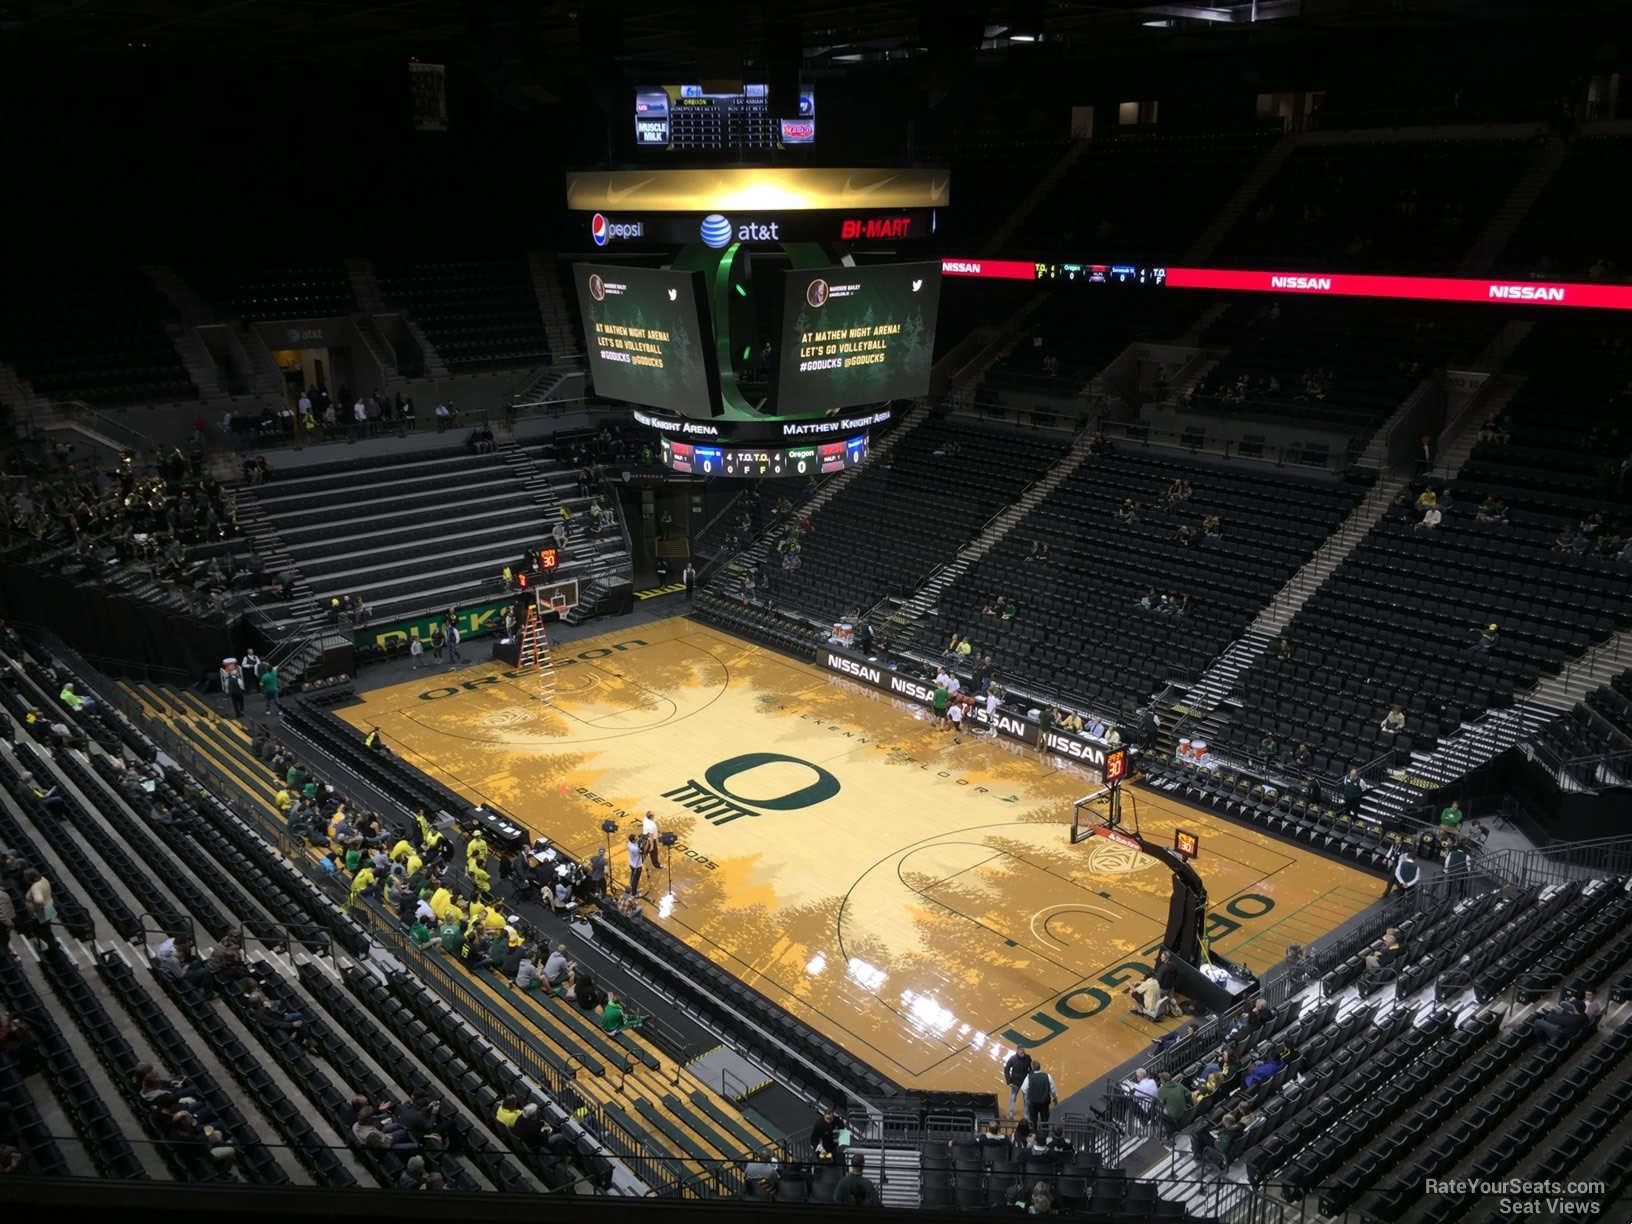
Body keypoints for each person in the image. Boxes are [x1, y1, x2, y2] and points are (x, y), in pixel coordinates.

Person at [1022, 1061, 1057, 1128]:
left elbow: (1024, 1089)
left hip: (1033, 1103)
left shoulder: (1029, 1077)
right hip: (1044, 1103)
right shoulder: (1047, 1076)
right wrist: (1055, 1099)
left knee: (1033, 1120)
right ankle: (1044, 1135)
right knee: (1044, 1120)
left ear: (1032, 1068)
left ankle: (1034, 1134)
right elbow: (1053, 1090)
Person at [1003, 1049, 1034, 1119]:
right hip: (1015, 1082)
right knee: (1012, 1097)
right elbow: (1006, 1069)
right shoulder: (1013, 1058)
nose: (1022, 1054)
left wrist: (1030, 1076)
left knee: (1026, 1099)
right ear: (1017, 1051)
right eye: (1021, 1052)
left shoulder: (1027, 1057)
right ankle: (1011, 1113)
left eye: (1023, 1052)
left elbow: (1031, 1068)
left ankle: (1026, 1115)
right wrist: (1009, 1082)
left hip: (1025, 1081)